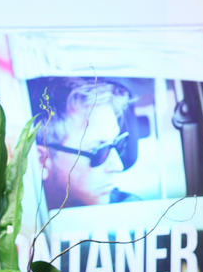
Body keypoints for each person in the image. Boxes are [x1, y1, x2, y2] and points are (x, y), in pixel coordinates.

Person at [30, 77, 140, 209]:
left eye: (119, 144)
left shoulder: (132, 212)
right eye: (99, 151)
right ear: (41, 160)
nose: (118, 166)